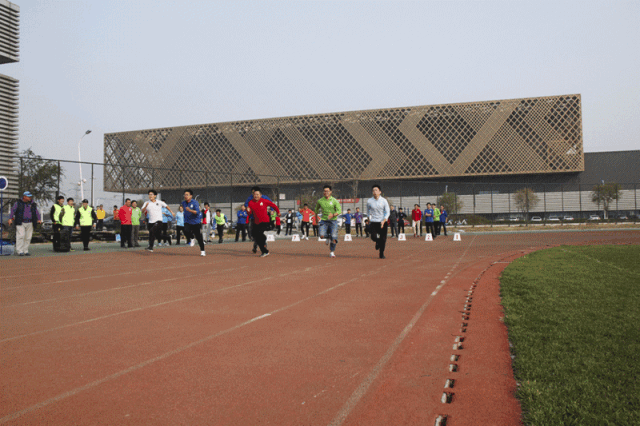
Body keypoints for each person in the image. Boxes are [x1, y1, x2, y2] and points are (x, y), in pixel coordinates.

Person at [246, 189, 280, 257]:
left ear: (260, 195)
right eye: (255, 194)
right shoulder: (250, 202)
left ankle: (264, 251)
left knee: (259, 235)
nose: (256, 196)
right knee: (254, 235)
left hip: (264, 221)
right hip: (256, 222)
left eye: (257, 194)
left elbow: (273, 205)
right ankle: (264, 242)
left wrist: (278, 212)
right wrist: (248, 211)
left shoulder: (264, 201)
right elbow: (249, 213)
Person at [8, 191, 42, 256]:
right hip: (20, 222)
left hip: (30, 222)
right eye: (28, 197)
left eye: (30, 197)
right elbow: (13, 210)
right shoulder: (18, 203)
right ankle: (19, 251)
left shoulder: (33, 204)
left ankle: (25, 250)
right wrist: (10, 218)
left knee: (28, 237)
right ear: (24, 197)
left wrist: (39, 219)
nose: (30, 198)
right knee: (21, 236)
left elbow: (36, 212)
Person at [315, 184, 341, 258]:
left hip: (333, 221)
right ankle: (328, 237)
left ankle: (332, 252)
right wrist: (316, 218)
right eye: (324, 191)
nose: (326, 192)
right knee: (321, 236)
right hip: (324, 221)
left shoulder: (334, 201)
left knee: (334, 237)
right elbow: (316, 210)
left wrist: (333, 215)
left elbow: (339, 211)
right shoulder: (320, 201)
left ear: (330, 192)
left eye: (327, 191)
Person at [245, 187, 272, 253]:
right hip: (253, 218)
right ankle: (259, 243)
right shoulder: (250, 198)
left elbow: (271, 203)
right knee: (253, 233)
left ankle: (258, 245)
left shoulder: (264, 197)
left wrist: (271, 210)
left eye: (255, 192)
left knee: (259, 233)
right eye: (253, 193)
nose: (254, 194)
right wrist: (247, 207)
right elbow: (246, 204)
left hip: (261, 219)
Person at [367, 185, 390, 259]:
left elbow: (387, 212)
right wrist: (368, 218)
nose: (374, 192)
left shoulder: (384, 201)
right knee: (373, 237)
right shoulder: (369, 201)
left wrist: (384, 220)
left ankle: (381, 254)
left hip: (382, 222)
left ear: (380, 192)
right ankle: (377, 241)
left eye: (376, 190)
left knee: (383, 239)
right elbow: (368, 211)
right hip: (374, 222)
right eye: (373, 190)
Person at [180, 189, 205, 256]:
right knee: (185, 231)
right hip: (187, 221)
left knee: (199, 237)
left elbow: (197, 212)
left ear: (191, 196)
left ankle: (202, 250)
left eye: (187, 195)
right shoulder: (183, 203)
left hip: (196, 222)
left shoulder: (195, 202)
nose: (185, 196)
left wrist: (190, 210)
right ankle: (192, 237)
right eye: (184, 195)